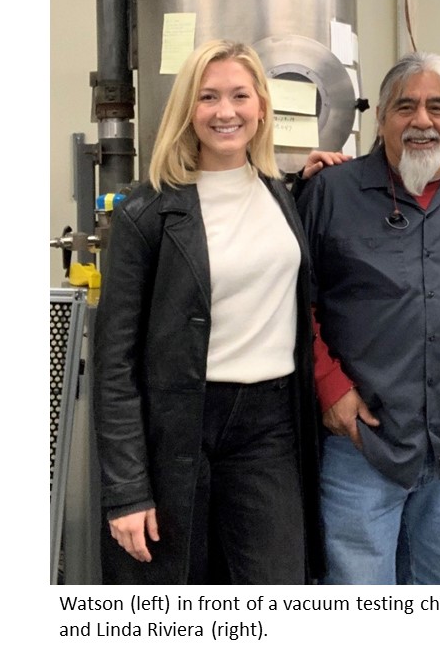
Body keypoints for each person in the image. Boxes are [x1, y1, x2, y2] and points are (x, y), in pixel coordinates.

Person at [93, 39, 340, 585]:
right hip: (179, 428)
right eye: (208, 97)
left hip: (270, 427)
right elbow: (116, 364)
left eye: (239, 96)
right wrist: (127, 490)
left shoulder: (282, 195)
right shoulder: (146, 213)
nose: (225, 111)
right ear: (188, 109)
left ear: (261, 107)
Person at [295, 52, 440, 585]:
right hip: (359, 444)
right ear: (381, 120)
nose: (421, 121)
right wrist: (330, 388)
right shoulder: (330, 192)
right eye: (405, 107)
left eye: (436, 108)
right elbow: (297, 304)